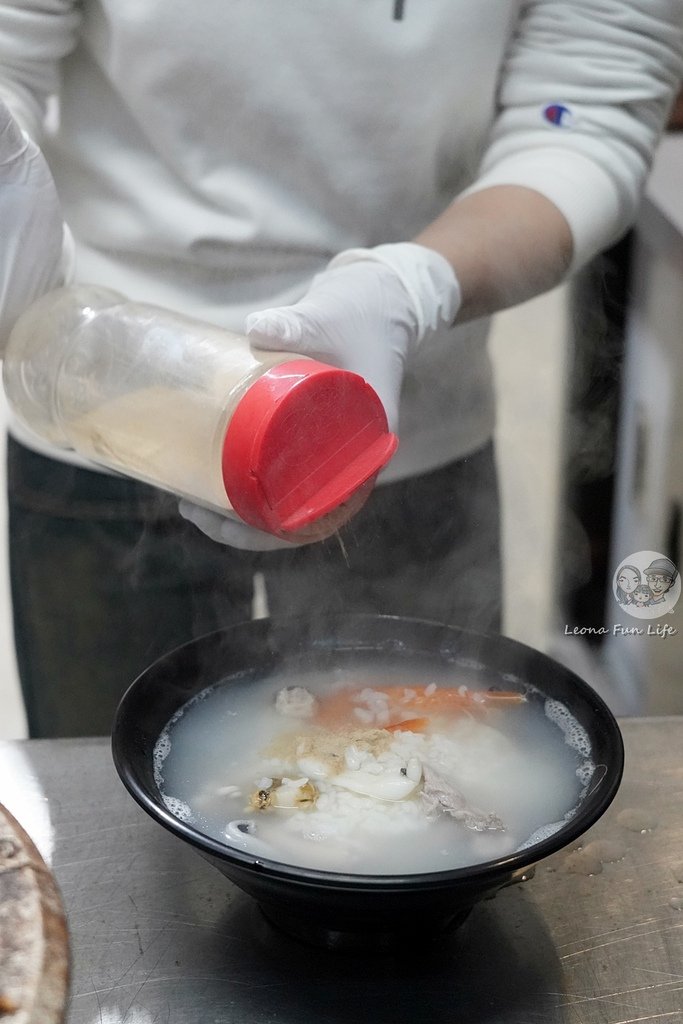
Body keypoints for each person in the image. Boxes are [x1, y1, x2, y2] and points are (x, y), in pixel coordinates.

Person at [1, 2, 682, 738]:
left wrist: (415, 285)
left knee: (413, 774)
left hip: (389, 410)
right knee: (107, 784)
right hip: (102, 394)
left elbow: (579, 117)